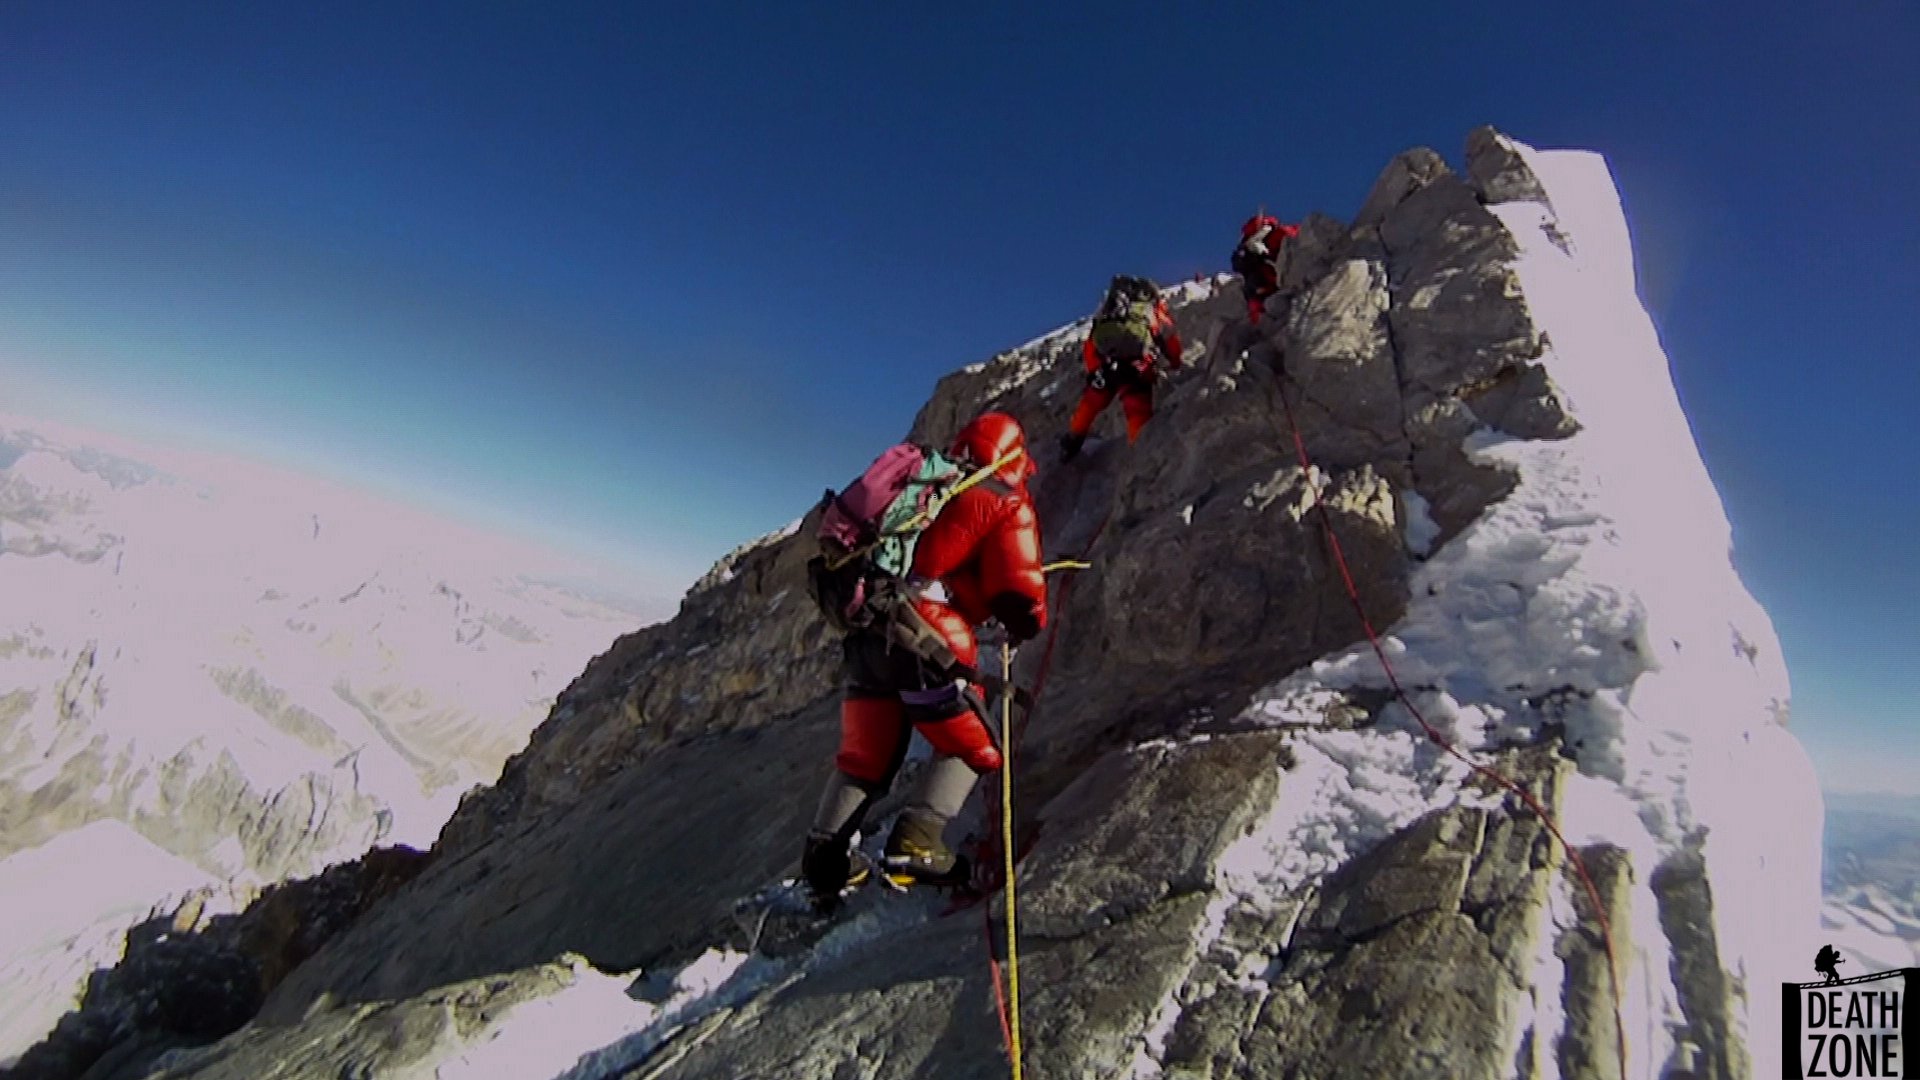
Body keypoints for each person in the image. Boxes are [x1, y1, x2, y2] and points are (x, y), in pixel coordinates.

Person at [801, 412, 1048, 908]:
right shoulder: (1003, 495)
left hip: (868, 632)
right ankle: (916, 846)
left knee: (862, 759)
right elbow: (1016, 589)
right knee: (974, 748)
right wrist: (1027, 625)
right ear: (1014, 456)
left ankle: (824, 864)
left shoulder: (929, 488)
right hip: (928, 636)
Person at [1059, 275, 1185, 462]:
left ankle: (1072, 441)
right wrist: (1175, 362)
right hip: (1138, 367)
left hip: (1107, 365)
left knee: (1091, 403)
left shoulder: (1109, 313)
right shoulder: (1151, 312)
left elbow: (1091, 346)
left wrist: (1095, 371)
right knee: (1136, 408)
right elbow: (1170, 340)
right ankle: (1140, 452)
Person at [1232, 211, 1299, 325]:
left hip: (1281, 284)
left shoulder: (1279, 234)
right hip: (1271, 287)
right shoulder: (1249, 249)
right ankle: (1260, 321)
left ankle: (1259, 321)